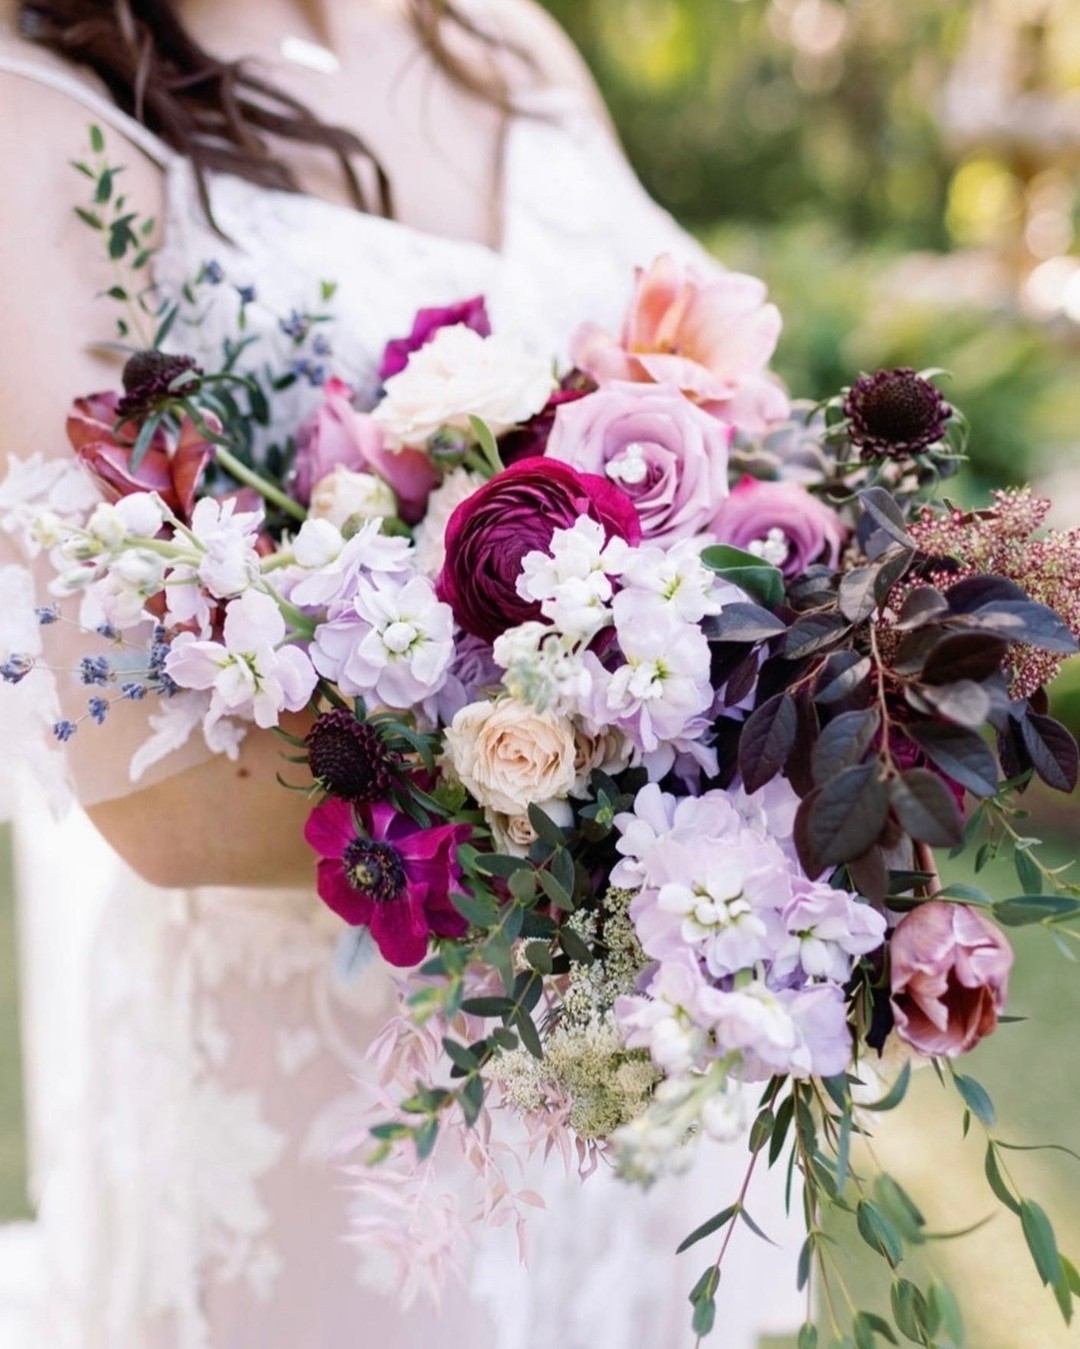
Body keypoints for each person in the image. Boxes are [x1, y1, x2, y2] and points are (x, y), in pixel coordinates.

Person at [0, 1, 807, 1345]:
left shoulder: (506, 43)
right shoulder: (44, 111)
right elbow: (160, 785)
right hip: (334, 1137)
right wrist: (644, 766)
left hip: (622, 1084)